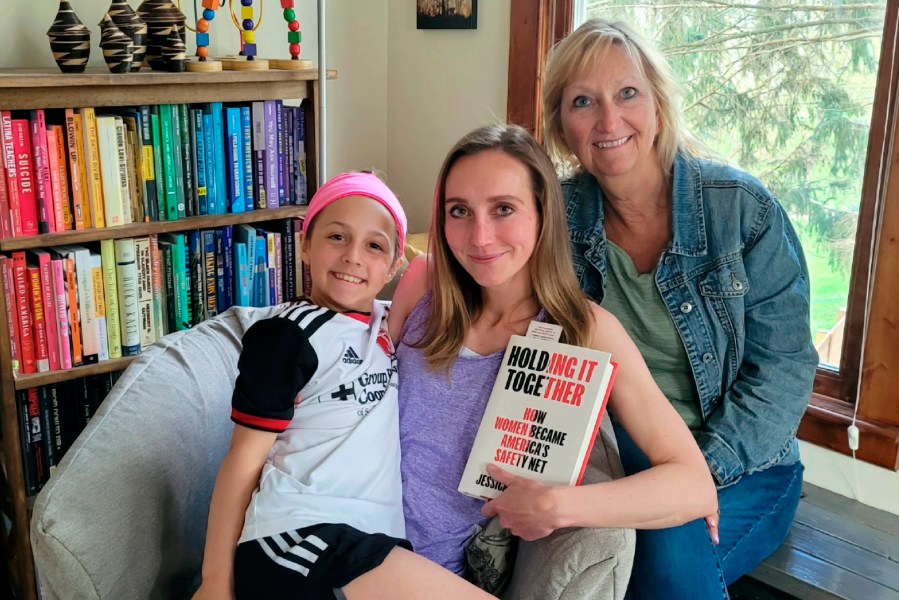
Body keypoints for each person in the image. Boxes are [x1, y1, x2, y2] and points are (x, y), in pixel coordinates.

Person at [542, 18, 820, 598]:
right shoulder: (555, 223)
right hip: (617, 458)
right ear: (563, 128)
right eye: (583, 102)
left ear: (659, 106)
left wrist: (695, 477)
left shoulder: (743, 211)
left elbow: (784, 373)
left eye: (627, 94)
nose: (609, 121)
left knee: (662, 565)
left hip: (745, 460)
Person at [389, 124, 717, 594]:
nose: (480, 237)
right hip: (349, 526)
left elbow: (692, 484)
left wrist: (558, 507)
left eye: (504, 209)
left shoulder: (585, 330)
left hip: (439, 575)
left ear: (544, 214)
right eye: (459, 211)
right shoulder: (424, 283)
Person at [193, 172, 494, 600]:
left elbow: (433, 267)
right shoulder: (285, 334)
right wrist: (215, 583)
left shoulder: (390, 325)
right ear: (304, 245)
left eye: (374, 246)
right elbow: (242, 461)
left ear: (395, 266)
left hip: (372, 548)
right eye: (337, 236)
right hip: (298, 538)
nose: (353, 256)